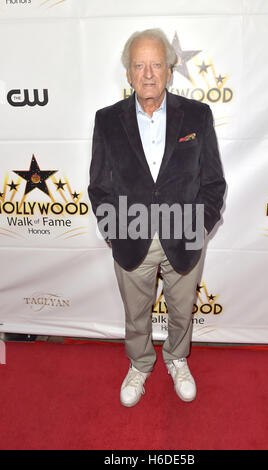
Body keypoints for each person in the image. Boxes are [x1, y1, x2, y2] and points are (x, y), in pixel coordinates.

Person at [88, 28, 226, 407]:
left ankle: (177, 359)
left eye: (156, 65)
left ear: (169, 70)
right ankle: (140, 363)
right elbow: (99, 187)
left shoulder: (197, 115)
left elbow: (213, 183)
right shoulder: (107, 120)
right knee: (136, 314)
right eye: (139, 65)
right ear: (129, 73)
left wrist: (198, 228)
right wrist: (115, 231)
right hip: (131, 238)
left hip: (184, 238)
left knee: (182, 311)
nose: (148, 74)